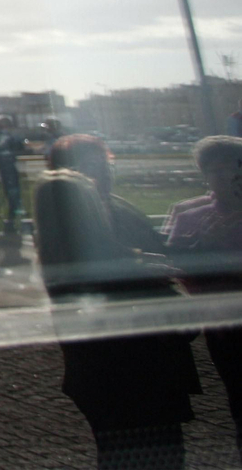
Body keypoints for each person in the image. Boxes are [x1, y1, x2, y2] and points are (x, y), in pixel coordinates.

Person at [33, 134, 199, 470]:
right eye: (91, 168)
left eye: (105, 165)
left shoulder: (116, 213)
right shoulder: (75, 233)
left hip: (136, 371)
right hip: (129, 372)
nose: (103, 175)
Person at [164, 136, 242, 460]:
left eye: (232, 169)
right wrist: (205, 245)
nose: (224, 177)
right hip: (225, 328)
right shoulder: (188, 214)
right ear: (204, 175)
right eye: (214, 170)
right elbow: (175, 267)